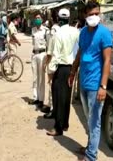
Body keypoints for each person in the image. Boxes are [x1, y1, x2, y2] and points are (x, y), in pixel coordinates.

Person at [69, 1, 112, 161]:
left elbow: (107, 60)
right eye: (91, 14)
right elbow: (80, 52)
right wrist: (73, 71)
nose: (94, 17)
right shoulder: (83, 32)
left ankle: (91, 156)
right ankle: (90, 147)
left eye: (96, 13)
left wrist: (103, 86)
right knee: (88, 118)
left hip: (96, 85)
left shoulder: (104, 33)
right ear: (85, 15)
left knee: (95, 121)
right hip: (84, 81)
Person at [46, 8, 79, 136]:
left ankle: (58, 127)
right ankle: (65, 123)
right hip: (72, 68)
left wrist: (51, 71)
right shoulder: (76, 31)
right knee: (67, 97)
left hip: (61, 68)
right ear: (69, 19)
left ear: (59, 19)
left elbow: (55, 54)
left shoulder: (58, 33)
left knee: (58, 98)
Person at [28, 11, 48, 109]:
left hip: (42, 54)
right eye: (36, 18)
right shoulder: (33, 30)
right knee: (35, 78)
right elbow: (33, 42)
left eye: (39, 18)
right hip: (34, 54)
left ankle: (41, 100)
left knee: (41, 79)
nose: (37, 19)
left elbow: (49, 45)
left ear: (42, 19)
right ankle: (35, 97)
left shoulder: (46, 31)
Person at [42, 10, 60, 117]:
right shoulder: (60, 30)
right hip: (59, 61)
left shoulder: (53, 31)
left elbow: (50, 49)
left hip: (53, 60)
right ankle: (51, 106)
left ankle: (52, 109)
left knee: (51, 85)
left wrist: (46, 62)